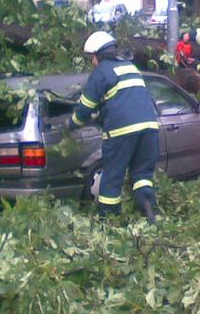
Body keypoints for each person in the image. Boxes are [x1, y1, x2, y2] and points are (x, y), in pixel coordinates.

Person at [68, 31, 159, 222]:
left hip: (122, 132)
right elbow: (127, 99)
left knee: (112, 176)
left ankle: (109, 223)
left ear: (98, 54)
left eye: (91, 58)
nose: (92, 62)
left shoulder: (101, 72)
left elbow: (84, 109)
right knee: (142, 175)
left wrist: (69, 124)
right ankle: (150, 216)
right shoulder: (130, 67)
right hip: (150, 128)